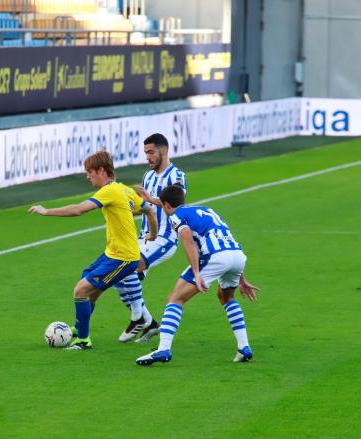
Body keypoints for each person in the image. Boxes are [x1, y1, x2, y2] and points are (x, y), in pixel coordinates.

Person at [29, 150, 158, 350]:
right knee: (89, 285)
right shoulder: (124, 190)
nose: (88, 177)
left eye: (89, 172)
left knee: (81, 289)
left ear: (100, 170)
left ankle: (83, 339)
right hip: (113, 254)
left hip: (124, 258)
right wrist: (153, 233)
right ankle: (80, 327)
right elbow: (149, 209)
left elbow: (79, 209)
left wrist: (47, 211)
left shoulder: (109, 191)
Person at [135, 185, 259, 366]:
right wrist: (241, 277)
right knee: (226, 297)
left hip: (215, 257)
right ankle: (244, 347)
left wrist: (196, 273)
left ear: (166, 206)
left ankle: (163, 349)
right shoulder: (206, 210)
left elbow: (187, 240)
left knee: (175, 299)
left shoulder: (176, 216)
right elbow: (227, 239)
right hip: (237, 256)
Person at [114, 133, 188, 343]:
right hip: (144, 237)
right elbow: (144, 207)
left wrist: (150, 199)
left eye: (151, 152)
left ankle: (137, 318)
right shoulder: (148, 176)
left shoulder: (177, 176)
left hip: (164, 239)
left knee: (129, 267)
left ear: (163, 151)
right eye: (146, 152)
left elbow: (177, 205)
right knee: (116, 275)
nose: (147, 157)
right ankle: (149, 322)